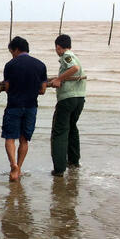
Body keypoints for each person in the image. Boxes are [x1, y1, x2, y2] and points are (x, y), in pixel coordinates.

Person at [2, 36, 47, 181]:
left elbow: (7, 87)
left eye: (12, 52)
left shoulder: (10, 65)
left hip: (14, 106)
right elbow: (42, 90)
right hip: (31, 106)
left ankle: (13, 165)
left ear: (16, 49)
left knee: (10, 138)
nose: (12, 55)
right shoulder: (40, 65)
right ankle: (19, 168)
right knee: (24, 140)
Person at [50, 34, 86, 177]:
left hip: (67, 99)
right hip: (79, 98)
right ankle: (74, 161)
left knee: (59, 132)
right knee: (72, 128)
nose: (56, 51)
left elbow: (74, 68)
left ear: (59, 47)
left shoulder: (66, 56)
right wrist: (57, 79)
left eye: (56, 48)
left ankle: (59, 169)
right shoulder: (74, 55)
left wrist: (59, 79)